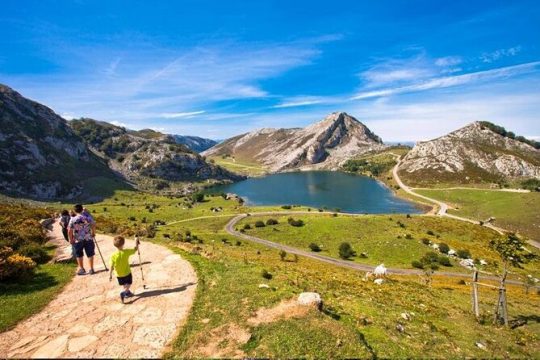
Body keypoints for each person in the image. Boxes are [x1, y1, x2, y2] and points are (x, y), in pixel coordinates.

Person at [109, 236, 140, 303]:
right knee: (129, 283)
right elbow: (135, 249)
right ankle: (124, 292)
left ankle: (127, 292)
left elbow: (111, 266)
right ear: (123, 244)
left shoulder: (113, 255)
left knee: (124, 283)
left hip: (118, 274)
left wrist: (110, 275)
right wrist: (136, 241)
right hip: (127, 272)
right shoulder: (126, 252)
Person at [68, 204, 96, 275]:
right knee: (90, 253)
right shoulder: (87, 217)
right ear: (82, 209)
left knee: (79, 254)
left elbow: (69, 230)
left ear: (74, 211)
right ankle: (91, 269)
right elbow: (93, 224)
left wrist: (70, 239)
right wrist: (93, 232)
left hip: (78, 239)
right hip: (88, 238)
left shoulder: (72, 219)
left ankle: (82, 269)